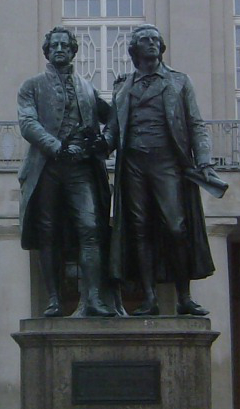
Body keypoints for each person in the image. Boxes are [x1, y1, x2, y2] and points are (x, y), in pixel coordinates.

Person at [106, 24, 223, 316]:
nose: (151, 44)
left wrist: (204, 160)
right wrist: (97, 146)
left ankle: (184, 296)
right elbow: (113, 128)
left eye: (155, 40)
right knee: (139, 228)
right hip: (133, 163)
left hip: (166, 162)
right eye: (145, 40)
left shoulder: (179, 82)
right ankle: (149, 297)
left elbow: (196, 123)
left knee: (176, 226)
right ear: (134, 50)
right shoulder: (123, 86)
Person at [17, 27, 115, 317]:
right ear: (47, 52)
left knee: (90, 228)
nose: (60, 48)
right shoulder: (32, 86)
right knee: (48, 232)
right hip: (47, 167)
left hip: (81, 168)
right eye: (54, 45)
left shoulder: (87, 87)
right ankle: (54, 299)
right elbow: (27, 124)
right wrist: (57, 147)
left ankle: (93, 298)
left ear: (73, 51)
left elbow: (114, 118)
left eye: (65, 45)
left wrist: (104, 142)